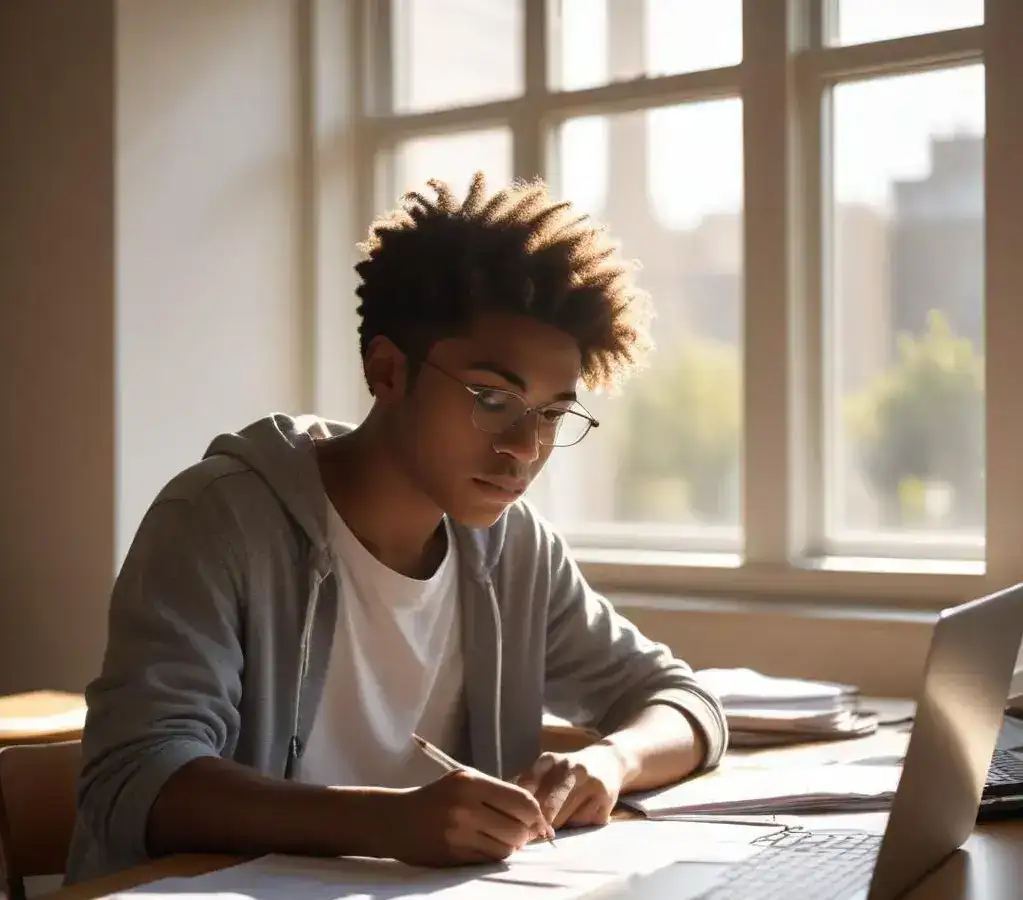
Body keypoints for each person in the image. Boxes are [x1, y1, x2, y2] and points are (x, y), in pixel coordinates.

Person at [65, 172, 728, 885]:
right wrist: (389, 822)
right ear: (386, 370)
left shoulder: (513, 548)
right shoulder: (220, 521)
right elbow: (138, 777)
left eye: (551, 414)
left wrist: (607, 762)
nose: (524, 449)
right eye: (493, 399)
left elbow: (681, 702)